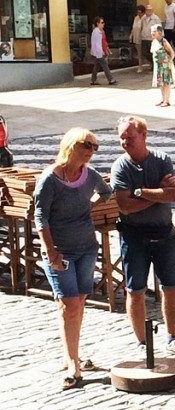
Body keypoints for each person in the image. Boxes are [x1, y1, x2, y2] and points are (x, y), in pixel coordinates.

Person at [34, 129, 113, 390]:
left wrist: (88, 206)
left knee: (77, 302)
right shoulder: (50, 178)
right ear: (71, 145)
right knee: (69, 305)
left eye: (95, 147)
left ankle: (72, 353)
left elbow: (106, 191)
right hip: (61, 250)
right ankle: (72, 364)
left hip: (86, 248)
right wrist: (50, 251)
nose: (90, 151)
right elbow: (41, 217)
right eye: (86, 145)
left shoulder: (89, 175)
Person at [111, 116, 175, 357]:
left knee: (171, 286)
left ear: (144, 136)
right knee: (135, 290)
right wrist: (157, 193)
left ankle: (173, 336)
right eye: (122, 137)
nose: (125, 142)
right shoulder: (120, 167)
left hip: (164, 233)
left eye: (130, 137)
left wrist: (139, 193)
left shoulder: (162, 160)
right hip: (134, 237)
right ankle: (142, 342)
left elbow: (174, 194)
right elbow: (125, 206)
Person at [150, 24, 175, 108]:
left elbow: (172, 53)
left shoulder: (164, 41)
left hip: (165, 66)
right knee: (161, 84)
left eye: (154, 31)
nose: (152, 33)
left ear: (159, 32)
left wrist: (169, 62)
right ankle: (163, 99)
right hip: (158, 66)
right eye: (152, 31)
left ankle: (166, 100)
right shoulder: (154, 42)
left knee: (166, 83)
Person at [89, 16, 116, 86]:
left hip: (99, 52)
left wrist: (107, 50)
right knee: (105, 66)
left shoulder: (101, 31)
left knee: (97, 66)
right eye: (102, 22)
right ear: (98, 23)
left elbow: (104, 42)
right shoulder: (96, 32)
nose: (103, 24)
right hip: (99, 52)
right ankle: (111, 79)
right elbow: (97, 43)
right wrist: (101, 52)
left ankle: (93, 80)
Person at [139, 5, 162, 71]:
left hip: (152, 38)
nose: (148, 11)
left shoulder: (156, 18)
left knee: (152, 52)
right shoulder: (143, 18)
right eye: (147, 10)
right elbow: (142, 27)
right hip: (144, 38)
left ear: (152, 11)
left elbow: (159, 28)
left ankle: (155, 64)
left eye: (149, 10)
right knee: (144, 52)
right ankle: (154, 63)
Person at [130, 5, 146, 73]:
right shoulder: (136, 18)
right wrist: (131, 35)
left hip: (143, 37)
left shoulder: (145, 18)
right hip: (136, 37)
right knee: (139, 53)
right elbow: (133, 27)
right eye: (138, 12)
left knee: (145, 52)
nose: (139, 14)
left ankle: (149, 64)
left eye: (140, 12)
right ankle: (140, 66)